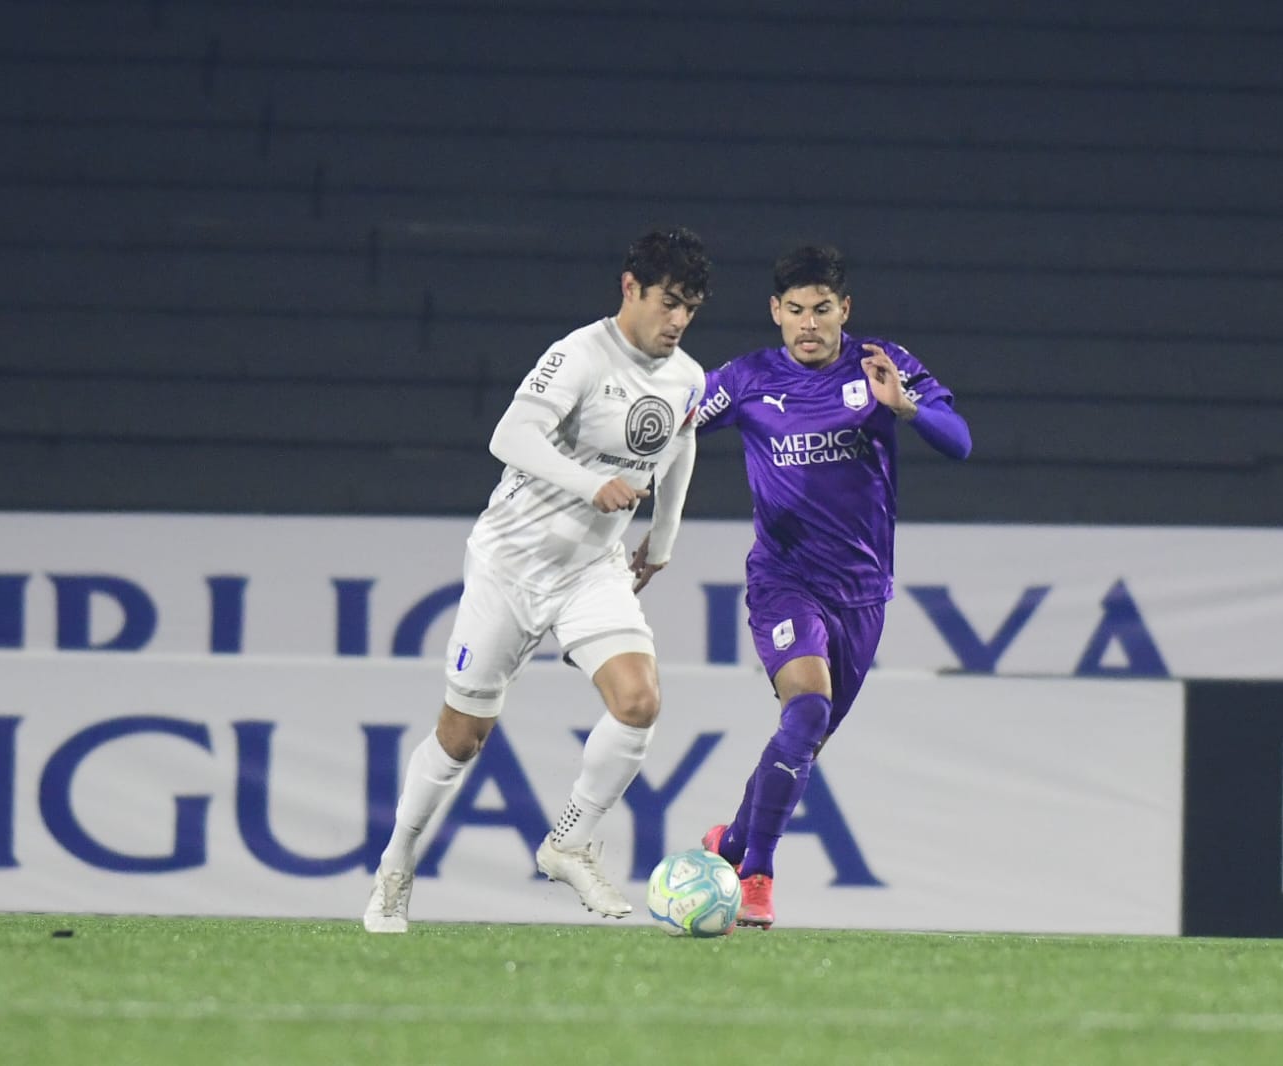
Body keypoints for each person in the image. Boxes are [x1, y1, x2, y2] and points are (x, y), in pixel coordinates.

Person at [364, 227, 711, 932]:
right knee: (462, 737)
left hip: (591, 568)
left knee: (638, 701)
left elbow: (681, 442)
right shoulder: (577, 355)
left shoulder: (687, 376)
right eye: (667, 302)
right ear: (629, 287)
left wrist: (663, 539)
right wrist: (592, 484)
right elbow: (509, 437)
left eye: (690, 308)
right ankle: (395, 868)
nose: (676, 320)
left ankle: (570, 841)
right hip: (511, 566)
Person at [692, 244, 972, 928]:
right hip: (784, 578)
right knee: (808, 710)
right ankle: (755, 875)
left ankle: (727, 843)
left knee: (803, 737)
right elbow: (668, 421)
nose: (808, 324)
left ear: (844, 310)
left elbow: (959, 440)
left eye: (821, 310)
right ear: (774, 312)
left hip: (862, 591)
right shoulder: (747, 378)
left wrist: (903, 407)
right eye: (794, 311)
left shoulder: (881, 364)